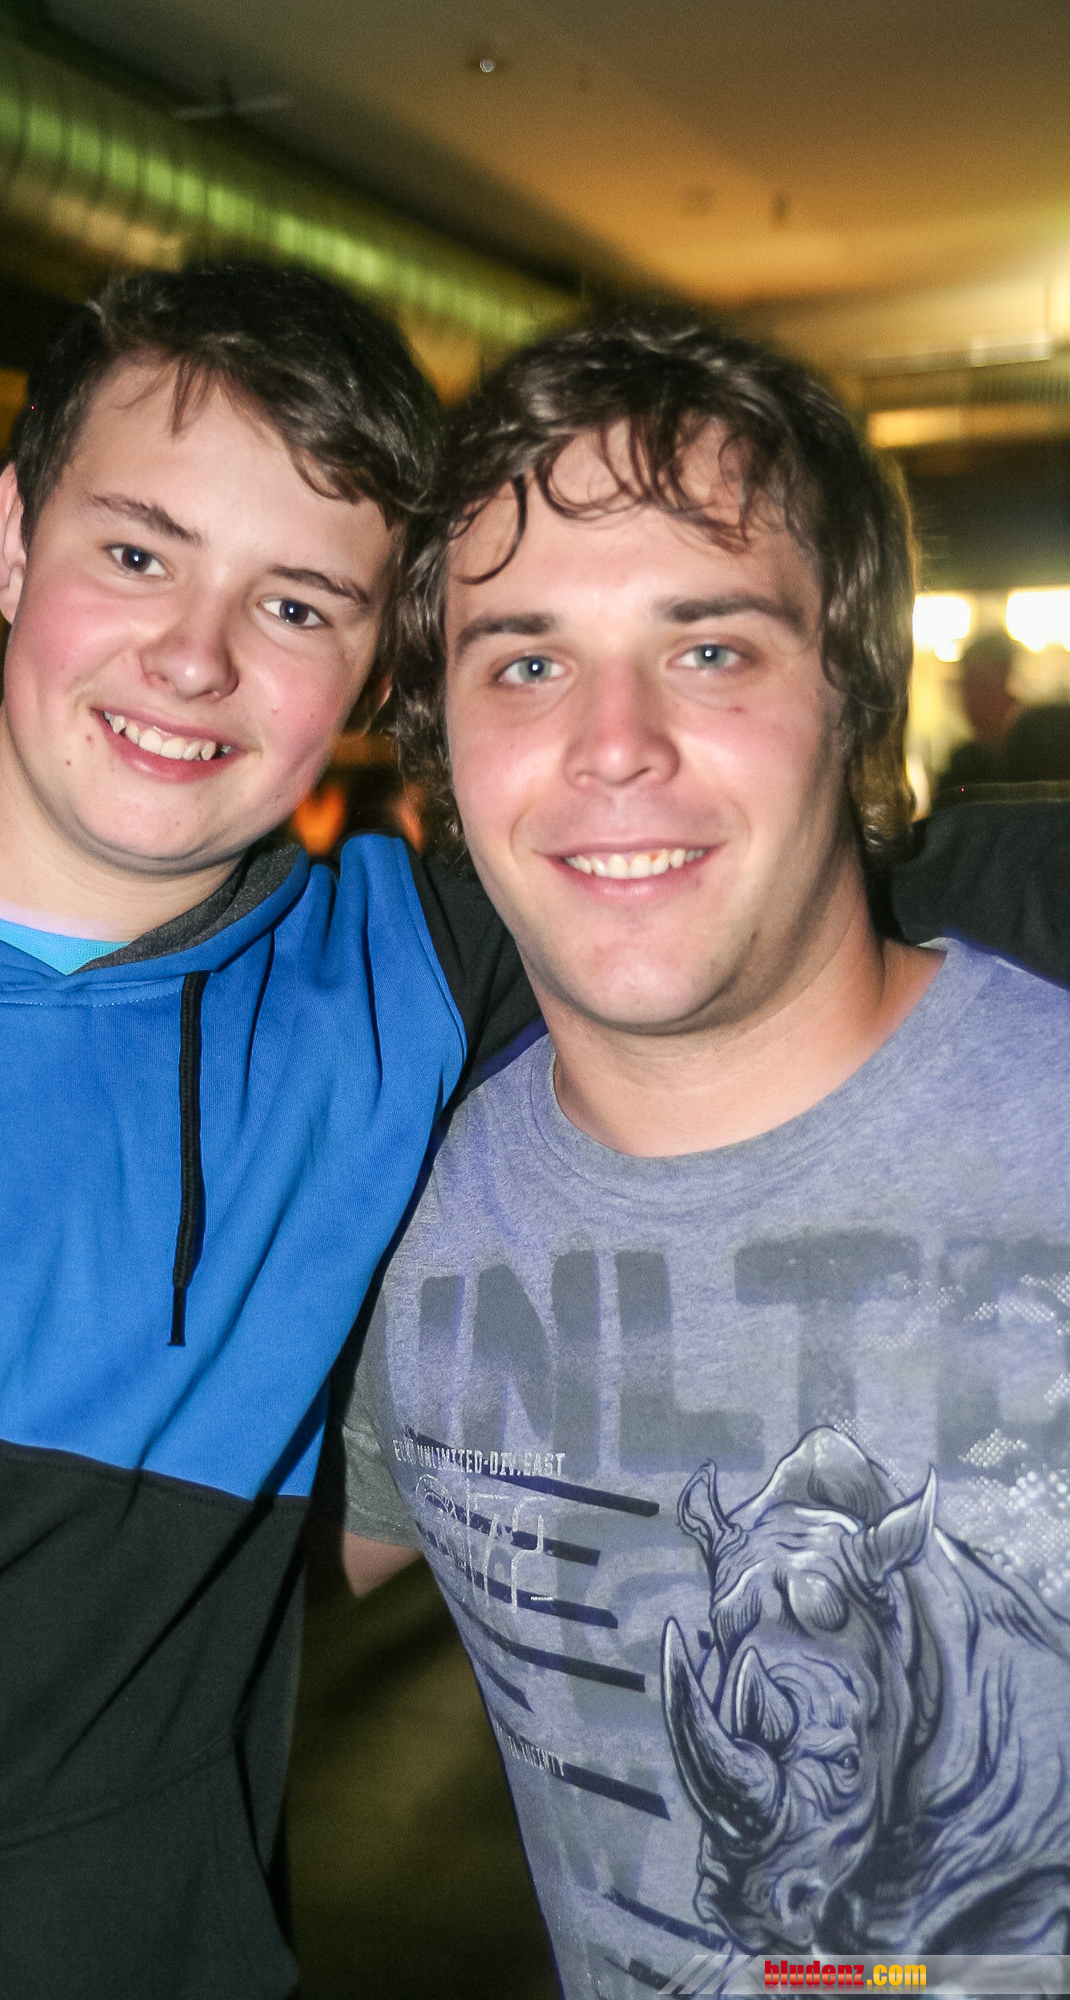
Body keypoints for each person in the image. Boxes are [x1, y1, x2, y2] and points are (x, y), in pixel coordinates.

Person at [0, 261, 539, 2000]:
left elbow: (848, 893)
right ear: (14, 539)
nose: (193, 657)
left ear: (373, 668)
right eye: (136, 553)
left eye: (298, 604)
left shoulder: (401, 980)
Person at [334, 309, 1070, 1982]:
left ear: (851, 696)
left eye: (710, 648)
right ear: (439, 751)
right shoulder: (407, 1210)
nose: (613, 745)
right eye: (526, 662)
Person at [934, 629, 1024, 793]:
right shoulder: (965, 762)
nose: (967, 698)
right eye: (966, 686)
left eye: (980, 687)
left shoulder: (1032, 760)